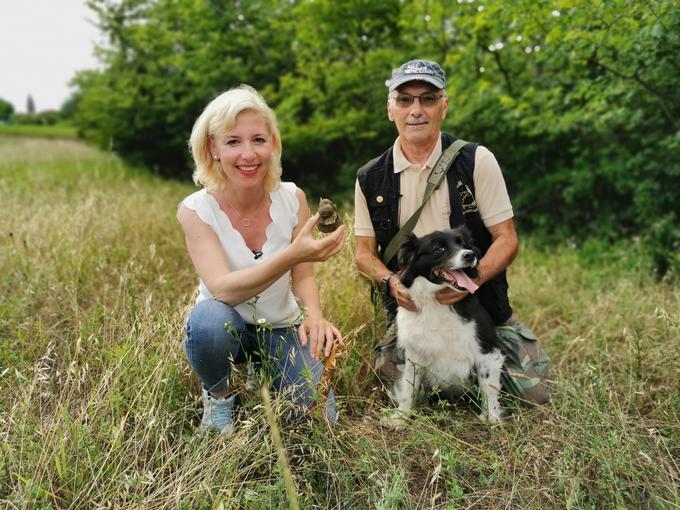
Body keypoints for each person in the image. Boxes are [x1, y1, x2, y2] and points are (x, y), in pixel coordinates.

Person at [354, 59, 550, 406]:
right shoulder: (370, 177)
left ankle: (485, 373)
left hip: (479, 311)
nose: (416, 110)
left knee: (535, 395)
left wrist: (471, 281)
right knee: (399, 388)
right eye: (404, 100)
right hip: (417, 314)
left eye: (428, 99)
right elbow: (363, 254)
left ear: (443, 107)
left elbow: (507, 238)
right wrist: (390, 282)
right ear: (390, 110)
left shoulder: (476, 160)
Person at [178, 85, 346, 434]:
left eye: (258, 139)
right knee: (207, 319)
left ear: (273, 142)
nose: (248, 154)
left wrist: (314, 316)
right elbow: (222, 290)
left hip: (281, 327)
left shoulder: (292, 198)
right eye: (233, 141)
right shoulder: (196, 210)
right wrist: (290, 256)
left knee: (321, 420)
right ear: (213, 147)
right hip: (226, 326)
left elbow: (303, 275)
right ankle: (220, 397)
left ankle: (263, 369)